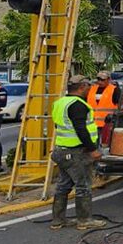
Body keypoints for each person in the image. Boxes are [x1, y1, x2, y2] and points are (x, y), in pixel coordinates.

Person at [49, 75, 108, 230]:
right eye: (88, 86)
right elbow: (81, 129)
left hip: (62, 150)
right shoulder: (78, 105)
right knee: (83, 186)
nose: (90, 89)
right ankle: (84, 220)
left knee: (63, 185)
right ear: (82, 87)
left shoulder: (60, 103)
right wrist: (93, 149)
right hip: (76, 152)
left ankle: (58, 220)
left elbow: (59, 126)